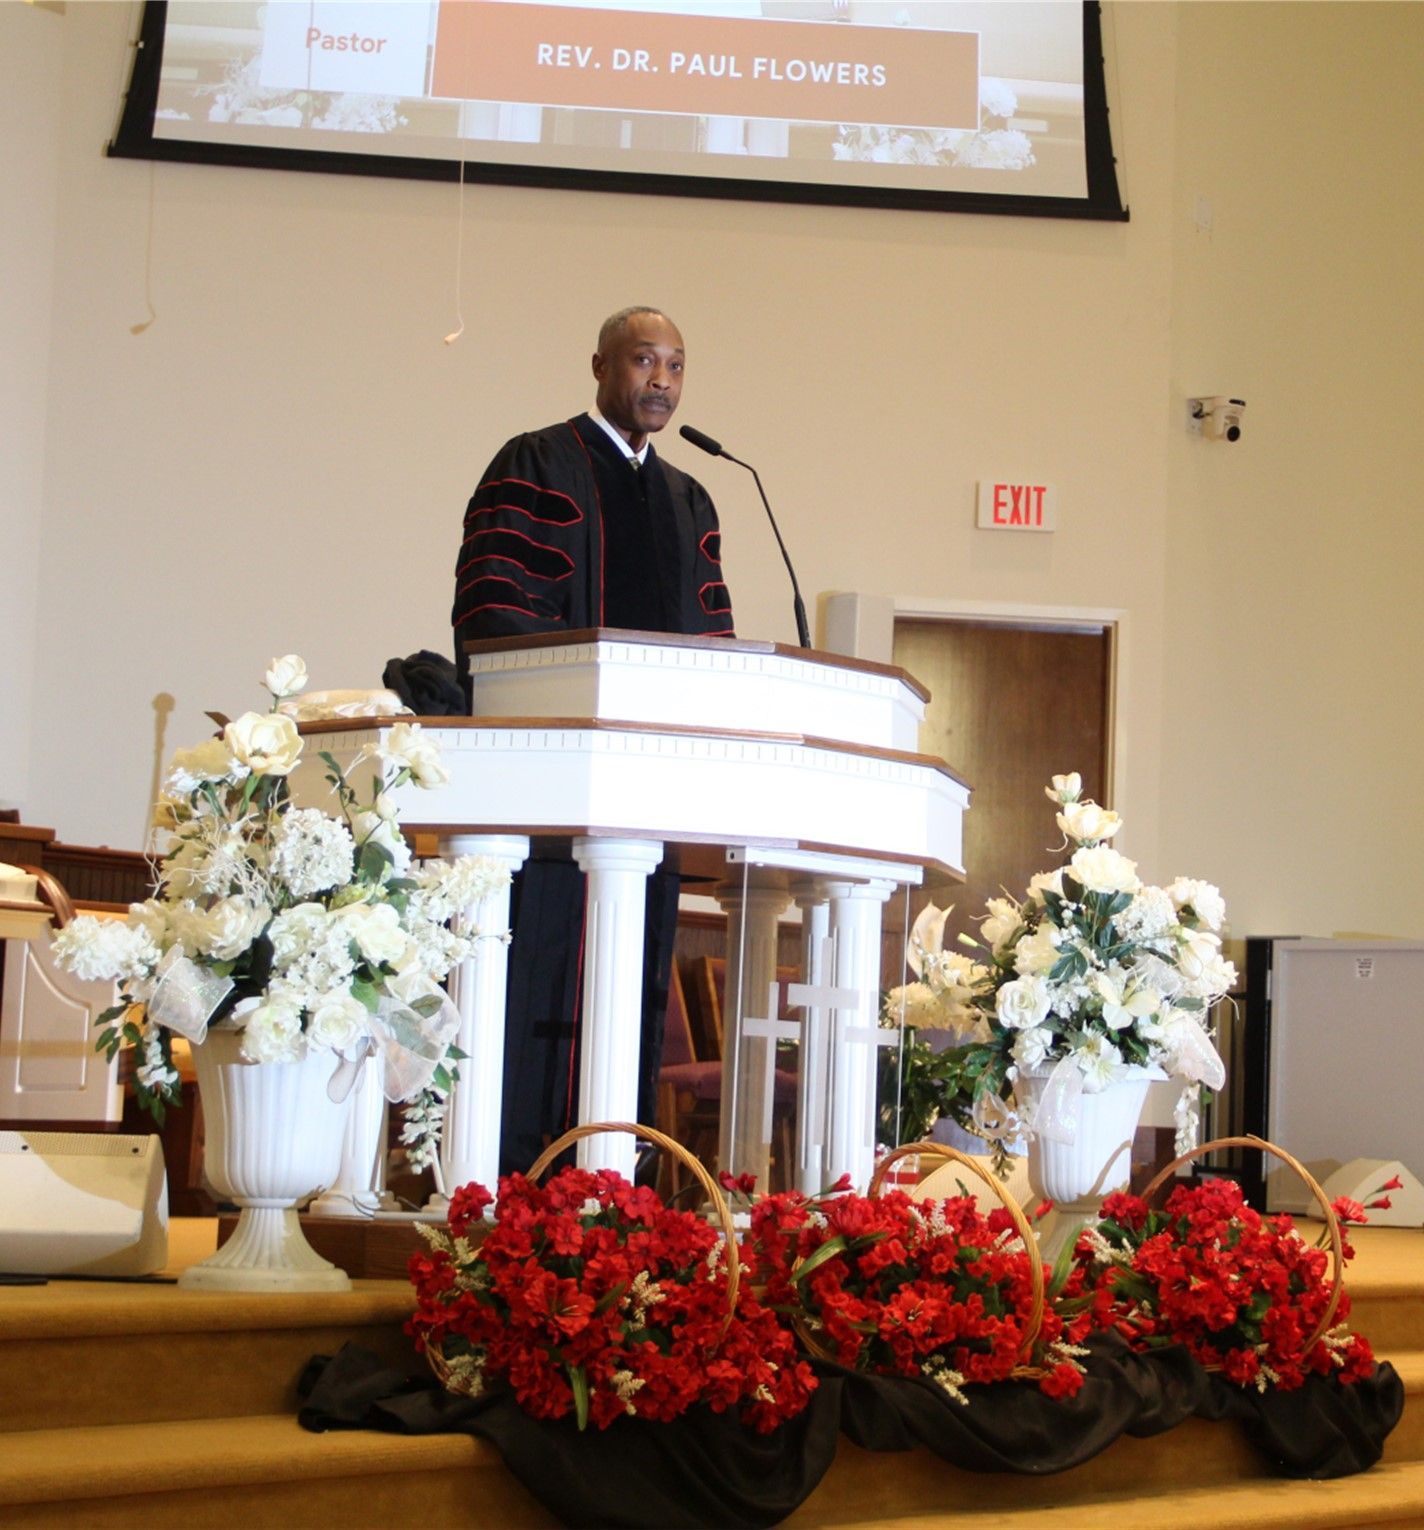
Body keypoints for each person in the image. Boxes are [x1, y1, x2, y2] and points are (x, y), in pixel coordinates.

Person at [452, 307, 736, 1173]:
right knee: (543, 977)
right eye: (644, 361)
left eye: (676, 366)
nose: (661, 381)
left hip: (646, 806)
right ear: (600, 366)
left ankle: (615, 1181)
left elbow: (714, 643)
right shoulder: (537, 462)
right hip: (549, 804)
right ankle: (513, 1178)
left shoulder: (692, 496)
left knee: (629, 990)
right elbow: (494, 612)